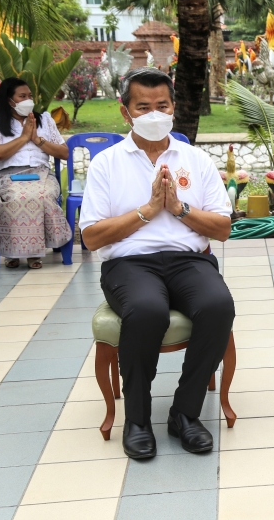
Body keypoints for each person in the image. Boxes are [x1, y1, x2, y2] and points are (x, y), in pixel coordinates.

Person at [79, 68, 235, 459]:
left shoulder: (196, 160)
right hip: (130, 264)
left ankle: (184, 414)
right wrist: (148, 210)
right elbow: (92, 237)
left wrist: (179, 209)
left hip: (188, 260)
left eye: (161, 106)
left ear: (173, 108)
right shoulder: (107, 164)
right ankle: (137, 419)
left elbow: (222, 228)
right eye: (143, 106)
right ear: (125, 112)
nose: (154, 114)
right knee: (147, 310)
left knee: (218, 305)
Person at [0, 78, 72, 269]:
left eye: (29, 96)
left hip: (41, 175)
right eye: (22, 96)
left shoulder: (44, 120)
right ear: (9, 100)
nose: (28, 100)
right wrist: (23, 138)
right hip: (10, 176)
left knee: (43, 195)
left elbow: (64, 152)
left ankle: (33, 254)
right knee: (17, 197)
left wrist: (37, 140)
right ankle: (15, 251)